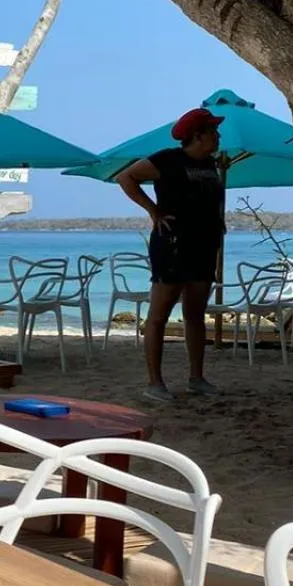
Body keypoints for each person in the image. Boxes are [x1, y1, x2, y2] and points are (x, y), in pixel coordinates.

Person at [116, 107, 225, 403]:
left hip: (204, 246)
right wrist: (153, 211)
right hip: (173, 244)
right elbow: (126, 178)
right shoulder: (168, 159)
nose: (218, 135)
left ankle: (196, 378)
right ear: (197, 136)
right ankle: (155, 383)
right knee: (159, 315)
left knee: (195, 314)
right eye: (213, 131)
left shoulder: (212, 165)